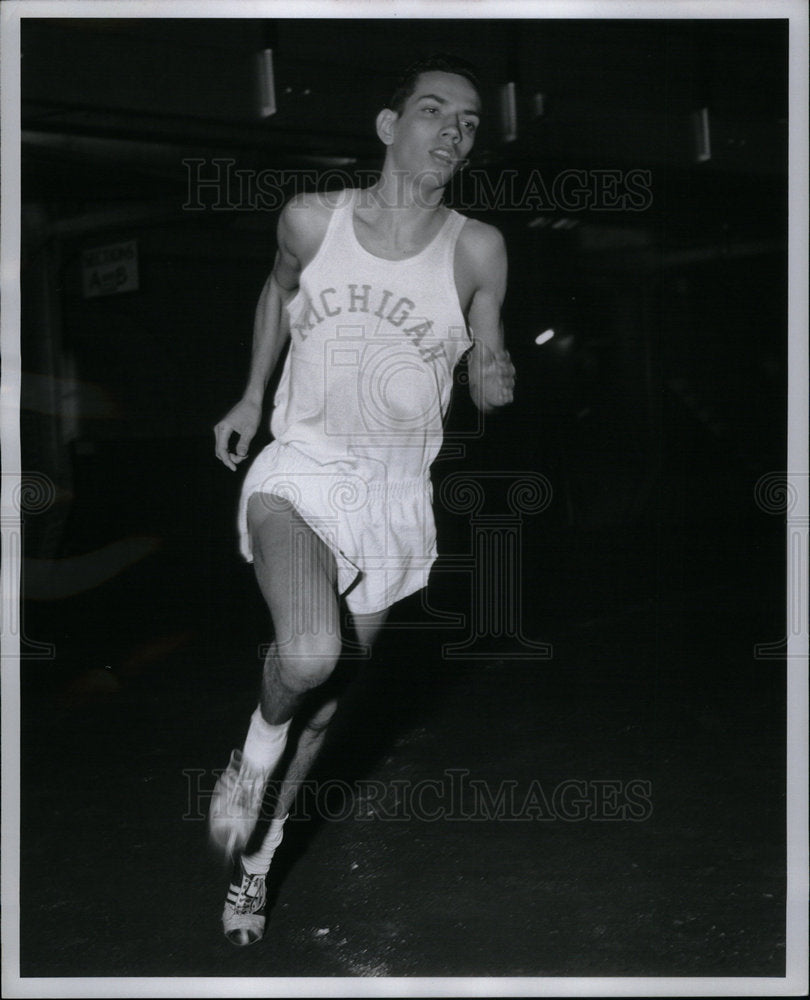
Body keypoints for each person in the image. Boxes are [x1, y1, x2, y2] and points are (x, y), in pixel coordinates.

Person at [210, 53, 515, 946]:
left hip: (394, 503)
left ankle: (256, 870)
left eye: (466, 122)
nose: (453, 131)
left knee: (332, 709)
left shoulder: (480, 247)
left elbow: (489, 371)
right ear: (389, 128)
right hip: (301, 468)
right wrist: (247, 394)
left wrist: (496, 378)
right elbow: (278, 290)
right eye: (433, 111)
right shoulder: (312, 219)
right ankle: (247, 764)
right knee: (307, 655)